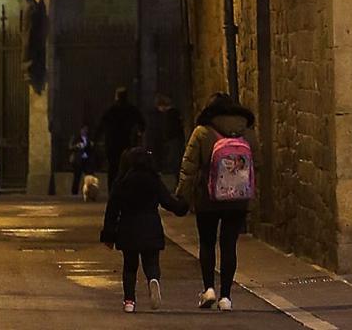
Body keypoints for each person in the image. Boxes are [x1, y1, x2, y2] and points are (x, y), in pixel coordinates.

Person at [177, 92, 257, 311]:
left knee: (207, 243)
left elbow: (189, 167)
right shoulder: (247, 133)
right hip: (237, 200)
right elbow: (255, 165)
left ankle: (208, 289)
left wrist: (181, 196)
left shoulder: (202, 132)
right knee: (229, 245)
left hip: (208, 198)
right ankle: (226, 297)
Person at [100, 147, 189, 314]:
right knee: (151, 263)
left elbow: (112, 210)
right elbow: (169, 202)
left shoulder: (122, 182)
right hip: (151, 227)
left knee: (130, 267)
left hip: (128, 228)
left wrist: (109, 234)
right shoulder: (153, 180)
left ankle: (129, 301)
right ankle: (153, 279)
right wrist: (184, 204)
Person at [97, 87, 146, 191]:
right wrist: (139, 133)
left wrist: (96, 139)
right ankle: (126, 190)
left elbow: (101, 125)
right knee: (126, 168)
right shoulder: (131, 109)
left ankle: (112, 190)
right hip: (126, 142)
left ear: (116, 96)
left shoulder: (111, 110)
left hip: (112, 143)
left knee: (112, 168)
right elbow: (142, 123)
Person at [154, 94, 184, 177]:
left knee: (174, 159)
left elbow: (169, 128)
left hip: (172, 139)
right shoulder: (174, 113)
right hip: (175, 139)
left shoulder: (169, 115)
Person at [69, 125, 94, 196]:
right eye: (83, 129)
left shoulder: (89, 139)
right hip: (78, 160)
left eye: (86, 129)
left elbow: (91, 149)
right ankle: (74, 193)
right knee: (77, 177)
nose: (85, 131)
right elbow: (70, 147)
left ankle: (89, 192)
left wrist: (91, 145)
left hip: (87, 160)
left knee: (89, 176)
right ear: (80, 130)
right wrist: (77, 146)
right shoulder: (76, 138)